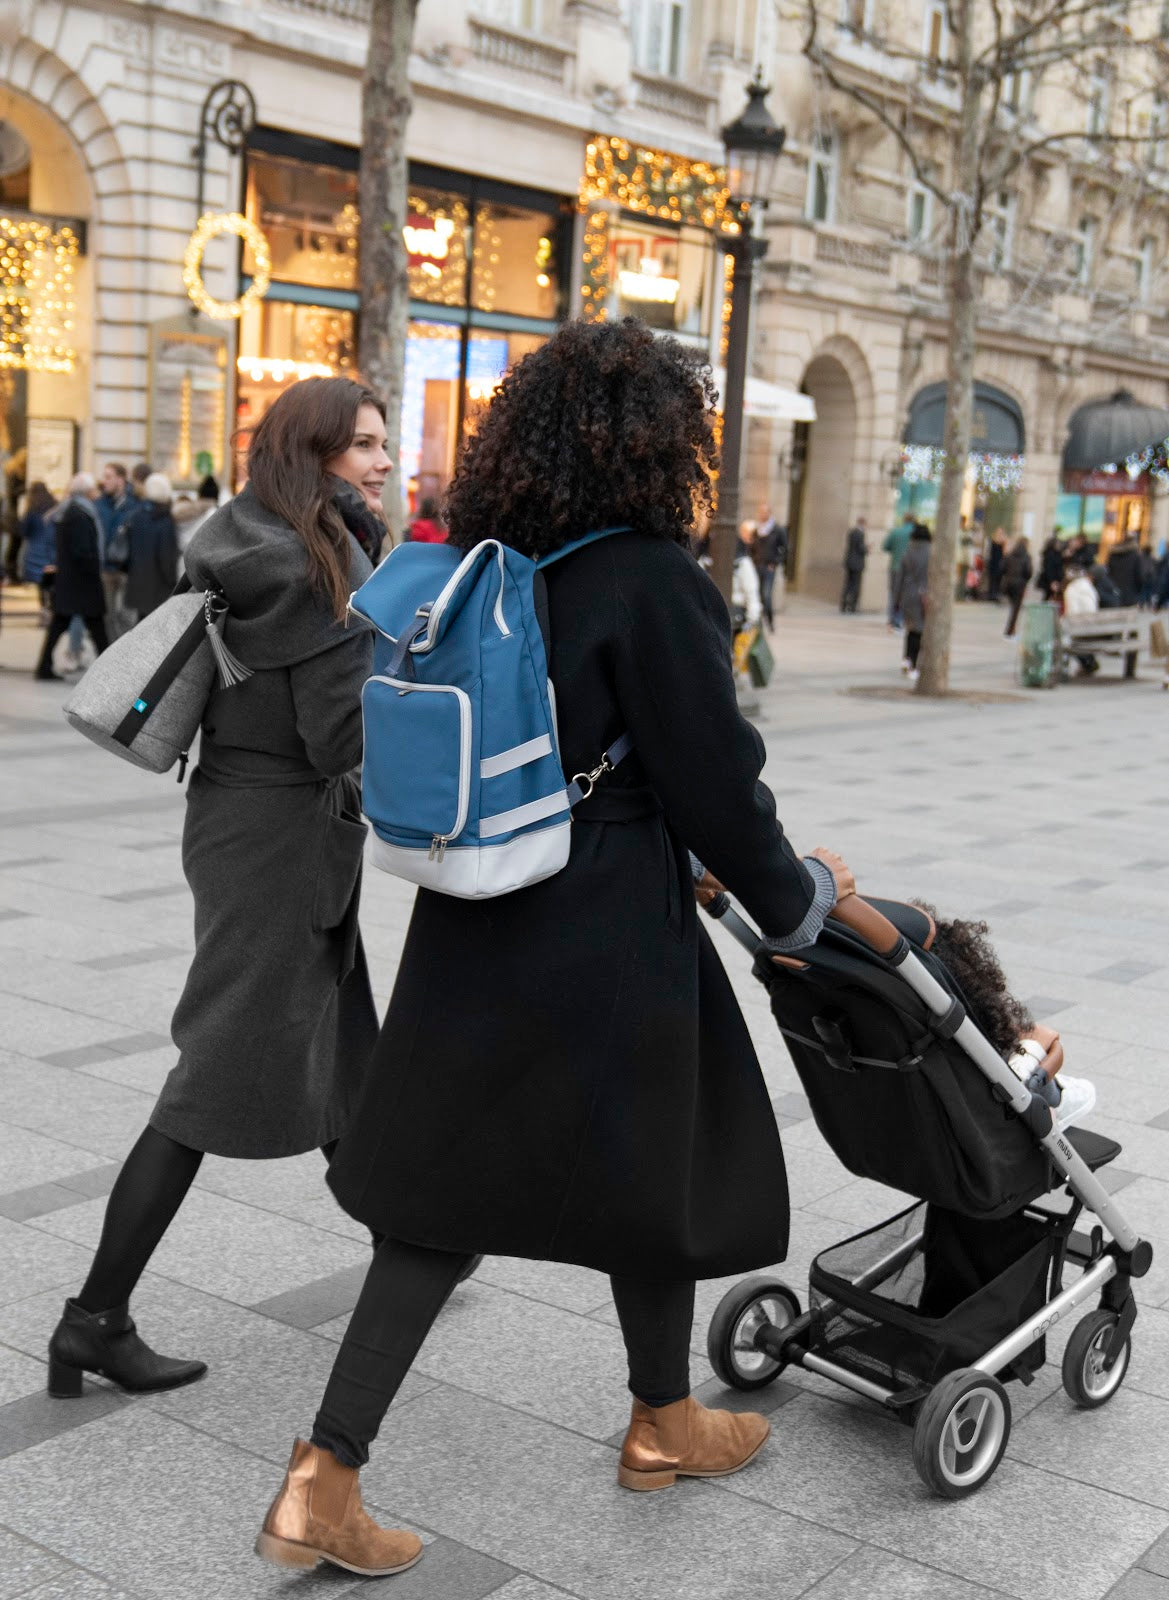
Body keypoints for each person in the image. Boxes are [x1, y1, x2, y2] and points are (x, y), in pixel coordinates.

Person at [254, 318, 855, 1579]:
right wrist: (798, 904)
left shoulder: (490, 560)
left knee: (438, 1201)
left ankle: (337, 1472)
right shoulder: (649, 576)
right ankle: (660, 1421)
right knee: (663, 1159)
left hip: (479, 917)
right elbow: (718, 782)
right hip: (614, 930)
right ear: (657, 444)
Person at [45, 378, 391, 1401]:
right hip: (283, 840)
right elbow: (338, 735)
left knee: (341, 1044)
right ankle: (92, 1319)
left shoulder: (244, 533)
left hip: (239, 821)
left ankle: (411, 1242)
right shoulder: (322, 567)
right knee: (213, 1076)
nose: (380, 459)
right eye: (363, 444)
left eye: (381, 442)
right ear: (315, 453)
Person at [914, 904, 1095, 1129]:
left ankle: (1027, 1067)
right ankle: (1034, 1077)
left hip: (906, 1101)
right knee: (1033, 1038)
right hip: (973, 1099)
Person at [33, 474, 109, 681]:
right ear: (86, 491)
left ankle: (44, 666)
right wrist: (94, 569)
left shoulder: (69, 510)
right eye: (94, 488)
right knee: (96, 626)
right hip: (82, 581)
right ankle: (110, 670)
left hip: (71, 580)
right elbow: (82, 550)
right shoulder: (79, 514)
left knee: (63, 623)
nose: (96, 492)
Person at [117, 472, 179, 622]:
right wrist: (172, 581)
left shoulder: (137, 516)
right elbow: (166, 557)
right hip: (158, 584)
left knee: (141, 622)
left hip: (138, 579)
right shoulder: (165, 519)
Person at [95, 462, 132, 640]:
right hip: (106, 568)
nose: (104, 481)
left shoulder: (134, 504)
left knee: (126, 616)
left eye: (108, 477)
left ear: (121, 479)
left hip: (127, 569)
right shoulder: (99, 504)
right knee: (108, 615)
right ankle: (112, 654)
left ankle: (125, 653)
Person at [894, 522, 930, 682]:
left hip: (907, 595)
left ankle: (906, 658)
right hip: (924, 596)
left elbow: (899, 577)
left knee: (911, 629)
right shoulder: (932, 552)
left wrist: (896, 598)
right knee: (919, 631)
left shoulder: (907, 552)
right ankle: (914, 665)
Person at [17, 481, 57, 616]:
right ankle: (52, 606)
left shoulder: (31, 509)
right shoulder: (55, 505)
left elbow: (23, 530)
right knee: (51, 579)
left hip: (35, 548)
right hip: (52, 548)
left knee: (40, 582)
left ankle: (44, 608)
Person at [1064, 557, 1101, 674]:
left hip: (1079, 627)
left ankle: (1085, 663)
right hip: (1094, 627)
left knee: (1064, 638)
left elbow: (1072, 612)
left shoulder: (1072, 589)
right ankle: (1088, 662)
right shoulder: (1088, 586)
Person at [754, 503, 787, 628]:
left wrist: (775, 563)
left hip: (769, 567)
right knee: (756, 595)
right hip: (757, 566)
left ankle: (770, 621)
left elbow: (784, 549)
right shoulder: (756, 529)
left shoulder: (777, 529)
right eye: (761, 512)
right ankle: (758, 624)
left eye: (765, 512)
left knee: (766, 595)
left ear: (769, 513)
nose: (762, 514)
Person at [881, 515, 912, 628]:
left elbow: (885, 546)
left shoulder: (895, 532)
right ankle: (900, 618)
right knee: (905, 594)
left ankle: (891, 618)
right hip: (909, 569)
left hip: (894, 566)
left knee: (893, 593)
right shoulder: (914, 533)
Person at [1002, 534, 1032, 637]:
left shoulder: (1010, 555)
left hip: (1009, 584)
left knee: (1013, 607)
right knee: (1016, 609)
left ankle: (1011, 629)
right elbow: (1028, 572)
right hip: (1019, 585)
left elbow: (1002, 568)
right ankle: (1010, 629)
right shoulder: (1026, 557)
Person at [1106, 531, 1142, 607]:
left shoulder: (1113, 553)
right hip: (1130, 592)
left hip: (1113, 590)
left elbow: (1108, 571)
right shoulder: (1135, 555)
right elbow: (1139, 575)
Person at [840, 515, 868, 612]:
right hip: (857, 563)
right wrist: (867, 549)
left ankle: (843, 605)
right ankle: (852, 606)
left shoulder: (851, 532)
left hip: (849, 562)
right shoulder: (860, 533)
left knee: (848, 584)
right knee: (855, 585)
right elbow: (860, 548)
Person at [1036, 532, 1065, 602]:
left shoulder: (1056, 554)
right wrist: (1052, 581)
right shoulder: (1051, 555)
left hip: (1053, 580)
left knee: (1048, 597)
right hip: (1051, 580)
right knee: (1048, 596)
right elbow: (1049, 569)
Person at [986, 526, 1007, 603]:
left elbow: (1005, 553)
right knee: (992, 580)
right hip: (993, 563)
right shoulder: (993, 541)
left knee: (998, 580)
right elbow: (990, 553)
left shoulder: (1003, 543)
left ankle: (996, 594)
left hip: (1000, 564)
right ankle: (991, 594)